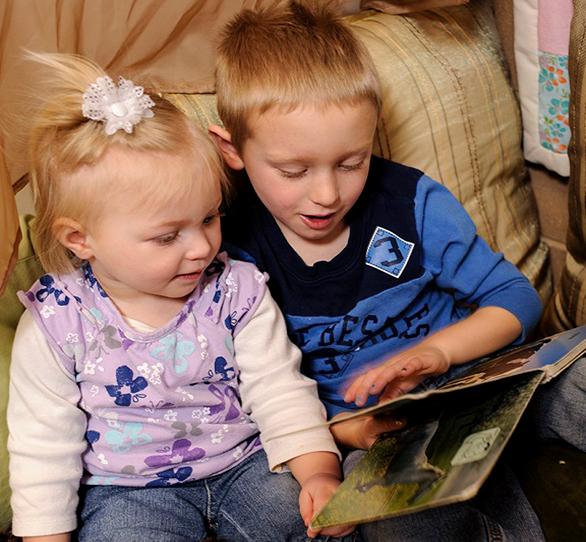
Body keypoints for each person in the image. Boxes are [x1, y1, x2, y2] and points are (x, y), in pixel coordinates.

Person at [207, 1, 579, 540]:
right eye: (294, 170)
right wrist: (347, 431)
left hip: (483, 387)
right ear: (232, 149)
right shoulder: (235, 252)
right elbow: (258, 394)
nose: (328, 193)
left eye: (351, 161)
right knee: (396, 522)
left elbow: (516, 299)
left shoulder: (410, 201)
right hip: (379, 438)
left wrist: (439, 352)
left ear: (374, 131)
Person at [7, 52, 359, 542]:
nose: (202, 247)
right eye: (167, 236)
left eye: (209, 218)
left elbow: (279, 390)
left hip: (245, 464)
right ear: (80, 239)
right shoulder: (58, 320)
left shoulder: (235, 288)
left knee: (313, 528)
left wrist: (319, 473)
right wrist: (45, 536)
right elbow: (43, 443)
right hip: (126, 491)